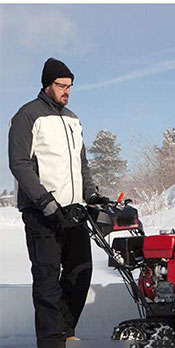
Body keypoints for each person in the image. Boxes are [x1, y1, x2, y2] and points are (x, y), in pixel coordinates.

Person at [8, 59, 107, 348]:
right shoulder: (28, 116)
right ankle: (52, 342)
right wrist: (43, 200)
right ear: (47, 85)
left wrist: (92, 195)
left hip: (73, 211)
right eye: (62, 86)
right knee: (47, 280)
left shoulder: (73, 119)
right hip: (42, 213)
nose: (67, 92)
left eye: (70, 86)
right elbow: (19, 163)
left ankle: (65, 331)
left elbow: (81, 164)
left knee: (81, 272)